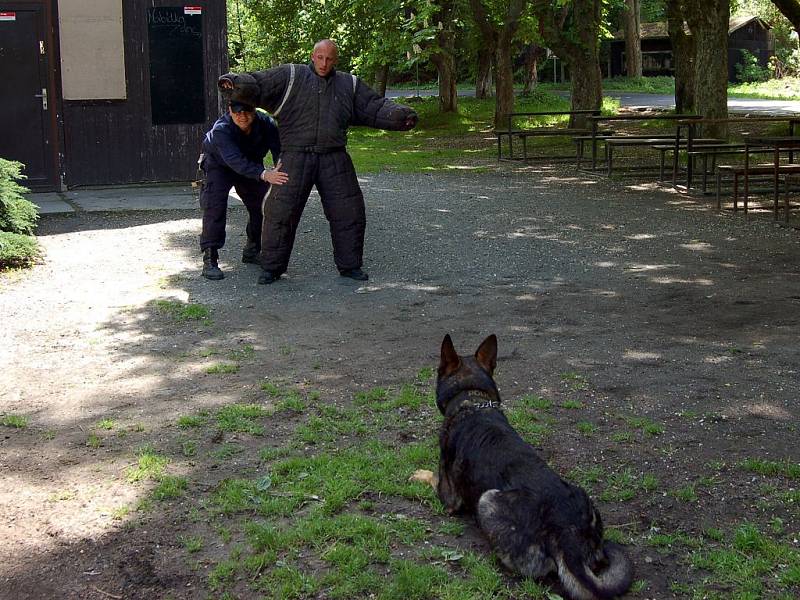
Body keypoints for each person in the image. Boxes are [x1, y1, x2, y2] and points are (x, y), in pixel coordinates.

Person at [219, 39, 418, 284]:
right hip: (294, 156)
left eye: (330, 59)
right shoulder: (291, 76)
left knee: (349, 211)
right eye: (320, 57)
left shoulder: (349, 84)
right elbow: (258, 84)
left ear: (336, 60)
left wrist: (401, 117)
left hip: (334, 156)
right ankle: (271, 267)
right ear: (313, 56)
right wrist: (235, 84)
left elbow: (374, 107)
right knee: (280, 211)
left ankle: (350, 266)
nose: (324, 63)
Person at [198, 99, 288, 280]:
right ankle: (210, 258)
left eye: (247, 111)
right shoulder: (221, 130)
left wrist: (280, 167)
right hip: (219, 165)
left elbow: (279, 149)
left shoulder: (266, 123)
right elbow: (234, 160)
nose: (242, 116)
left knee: (262, 206)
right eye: (237, 112)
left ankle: (253, 250)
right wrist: (264, 174)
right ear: (230, 111)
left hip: (251, 165)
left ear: (254, 110)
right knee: (214, 207)